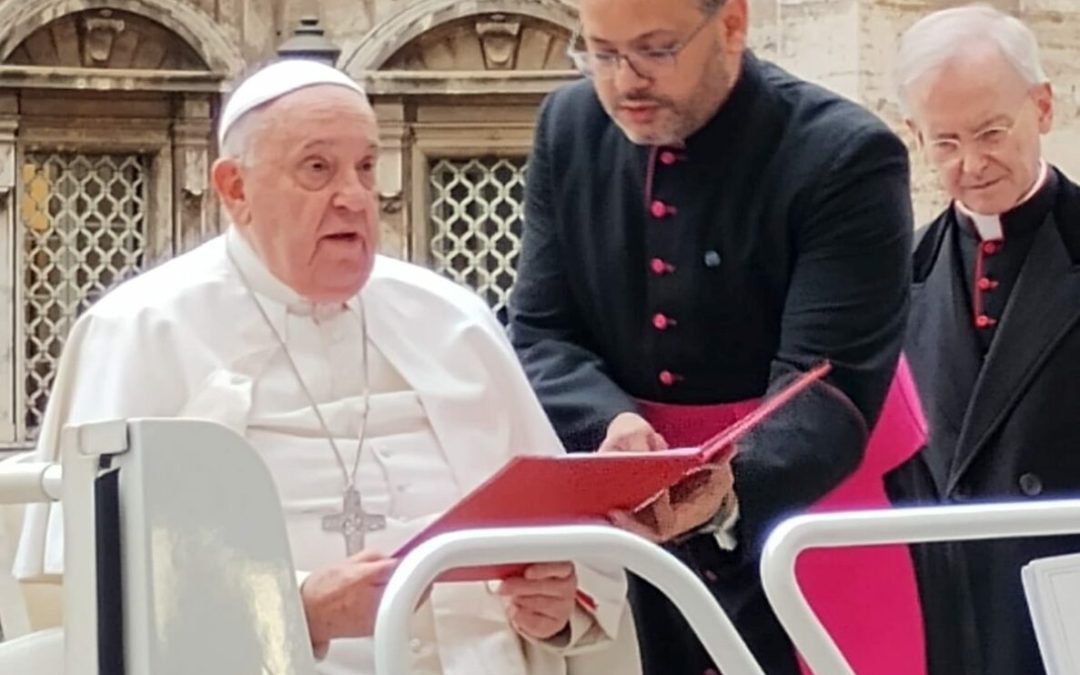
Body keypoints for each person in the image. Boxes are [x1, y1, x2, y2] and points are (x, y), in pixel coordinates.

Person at [12, 59, 639, 675]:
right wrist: (298, 609)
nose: (354, 197)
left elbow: (570, 557)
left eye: (366, 168)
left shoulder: (452, 320)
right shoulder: (142, 330)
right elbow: (97, 596)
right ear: (235, 189)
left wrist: (554, 608)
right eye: (318, 169)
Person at [507, 0, 925, 673]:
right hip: (633, 505)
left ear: (732, 24)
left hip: (804, 499)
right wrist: (610, 426)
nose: (624, 81)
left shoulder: (844, 152)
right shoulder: (568, 127)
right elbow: (541, 329)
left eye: (655, 49)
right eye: (601, 53)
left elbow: (830, 384)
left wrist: (725, 491)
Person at [886, 6, 1080, 675]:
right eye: (944, 141)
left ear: (1043, 106)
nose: (971, 163)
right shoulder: (891, 279)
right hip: (952, 617)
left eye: (991, 132)